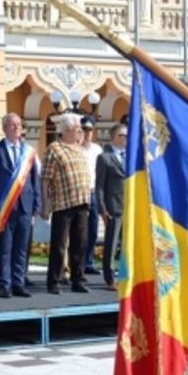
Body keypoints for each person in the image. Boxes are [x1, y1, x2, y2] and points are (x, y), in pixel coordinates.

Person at [0, 112, 41, 298]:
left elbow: (34, 180)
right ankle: (4, 284)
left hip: (25, 207)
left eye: (19, 125)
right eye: (12, 124)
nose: (16, 128)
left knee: (21, 248)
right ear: (4, 128)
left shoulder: (28, 152)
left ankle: (19, 283)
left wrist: (37, 203)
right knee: (5, 249)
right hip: (4, 209)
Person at [42, 113, 91, 295]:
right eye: (78, 128)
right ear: (67, 130)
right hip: (63, 203)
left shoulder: (80, 148)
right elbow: (45, 178)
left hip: (82, 202)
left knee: (80, 244)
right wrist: (46, 204)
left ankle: (78, 280)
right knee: (60, 245)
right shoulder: (54, 149)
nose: (81, 131)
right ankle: (54, 281)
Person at [96, 123, 127, 291]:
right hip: (114, 207)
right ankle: (110, 278)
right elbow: (100, 185)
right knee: (111, 244)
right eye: (122, 135)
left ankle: (125, 277)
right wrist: (102, 208)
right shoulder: (105, 158)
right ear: (114, 137)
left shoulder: (131, 156)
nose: (126, 138)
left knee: (127, 245)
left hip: (130, 207)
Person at [80, 115, 103, 275]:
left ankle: (88, 261)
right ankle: (77, 262)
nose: (88, 133)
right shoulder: (75, 148)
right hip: (79, 192)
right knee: (79, 228)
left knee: (93, 229)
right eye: (85, 130)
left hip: (94, 192)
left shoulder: (97, 149)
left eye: (90, 130)